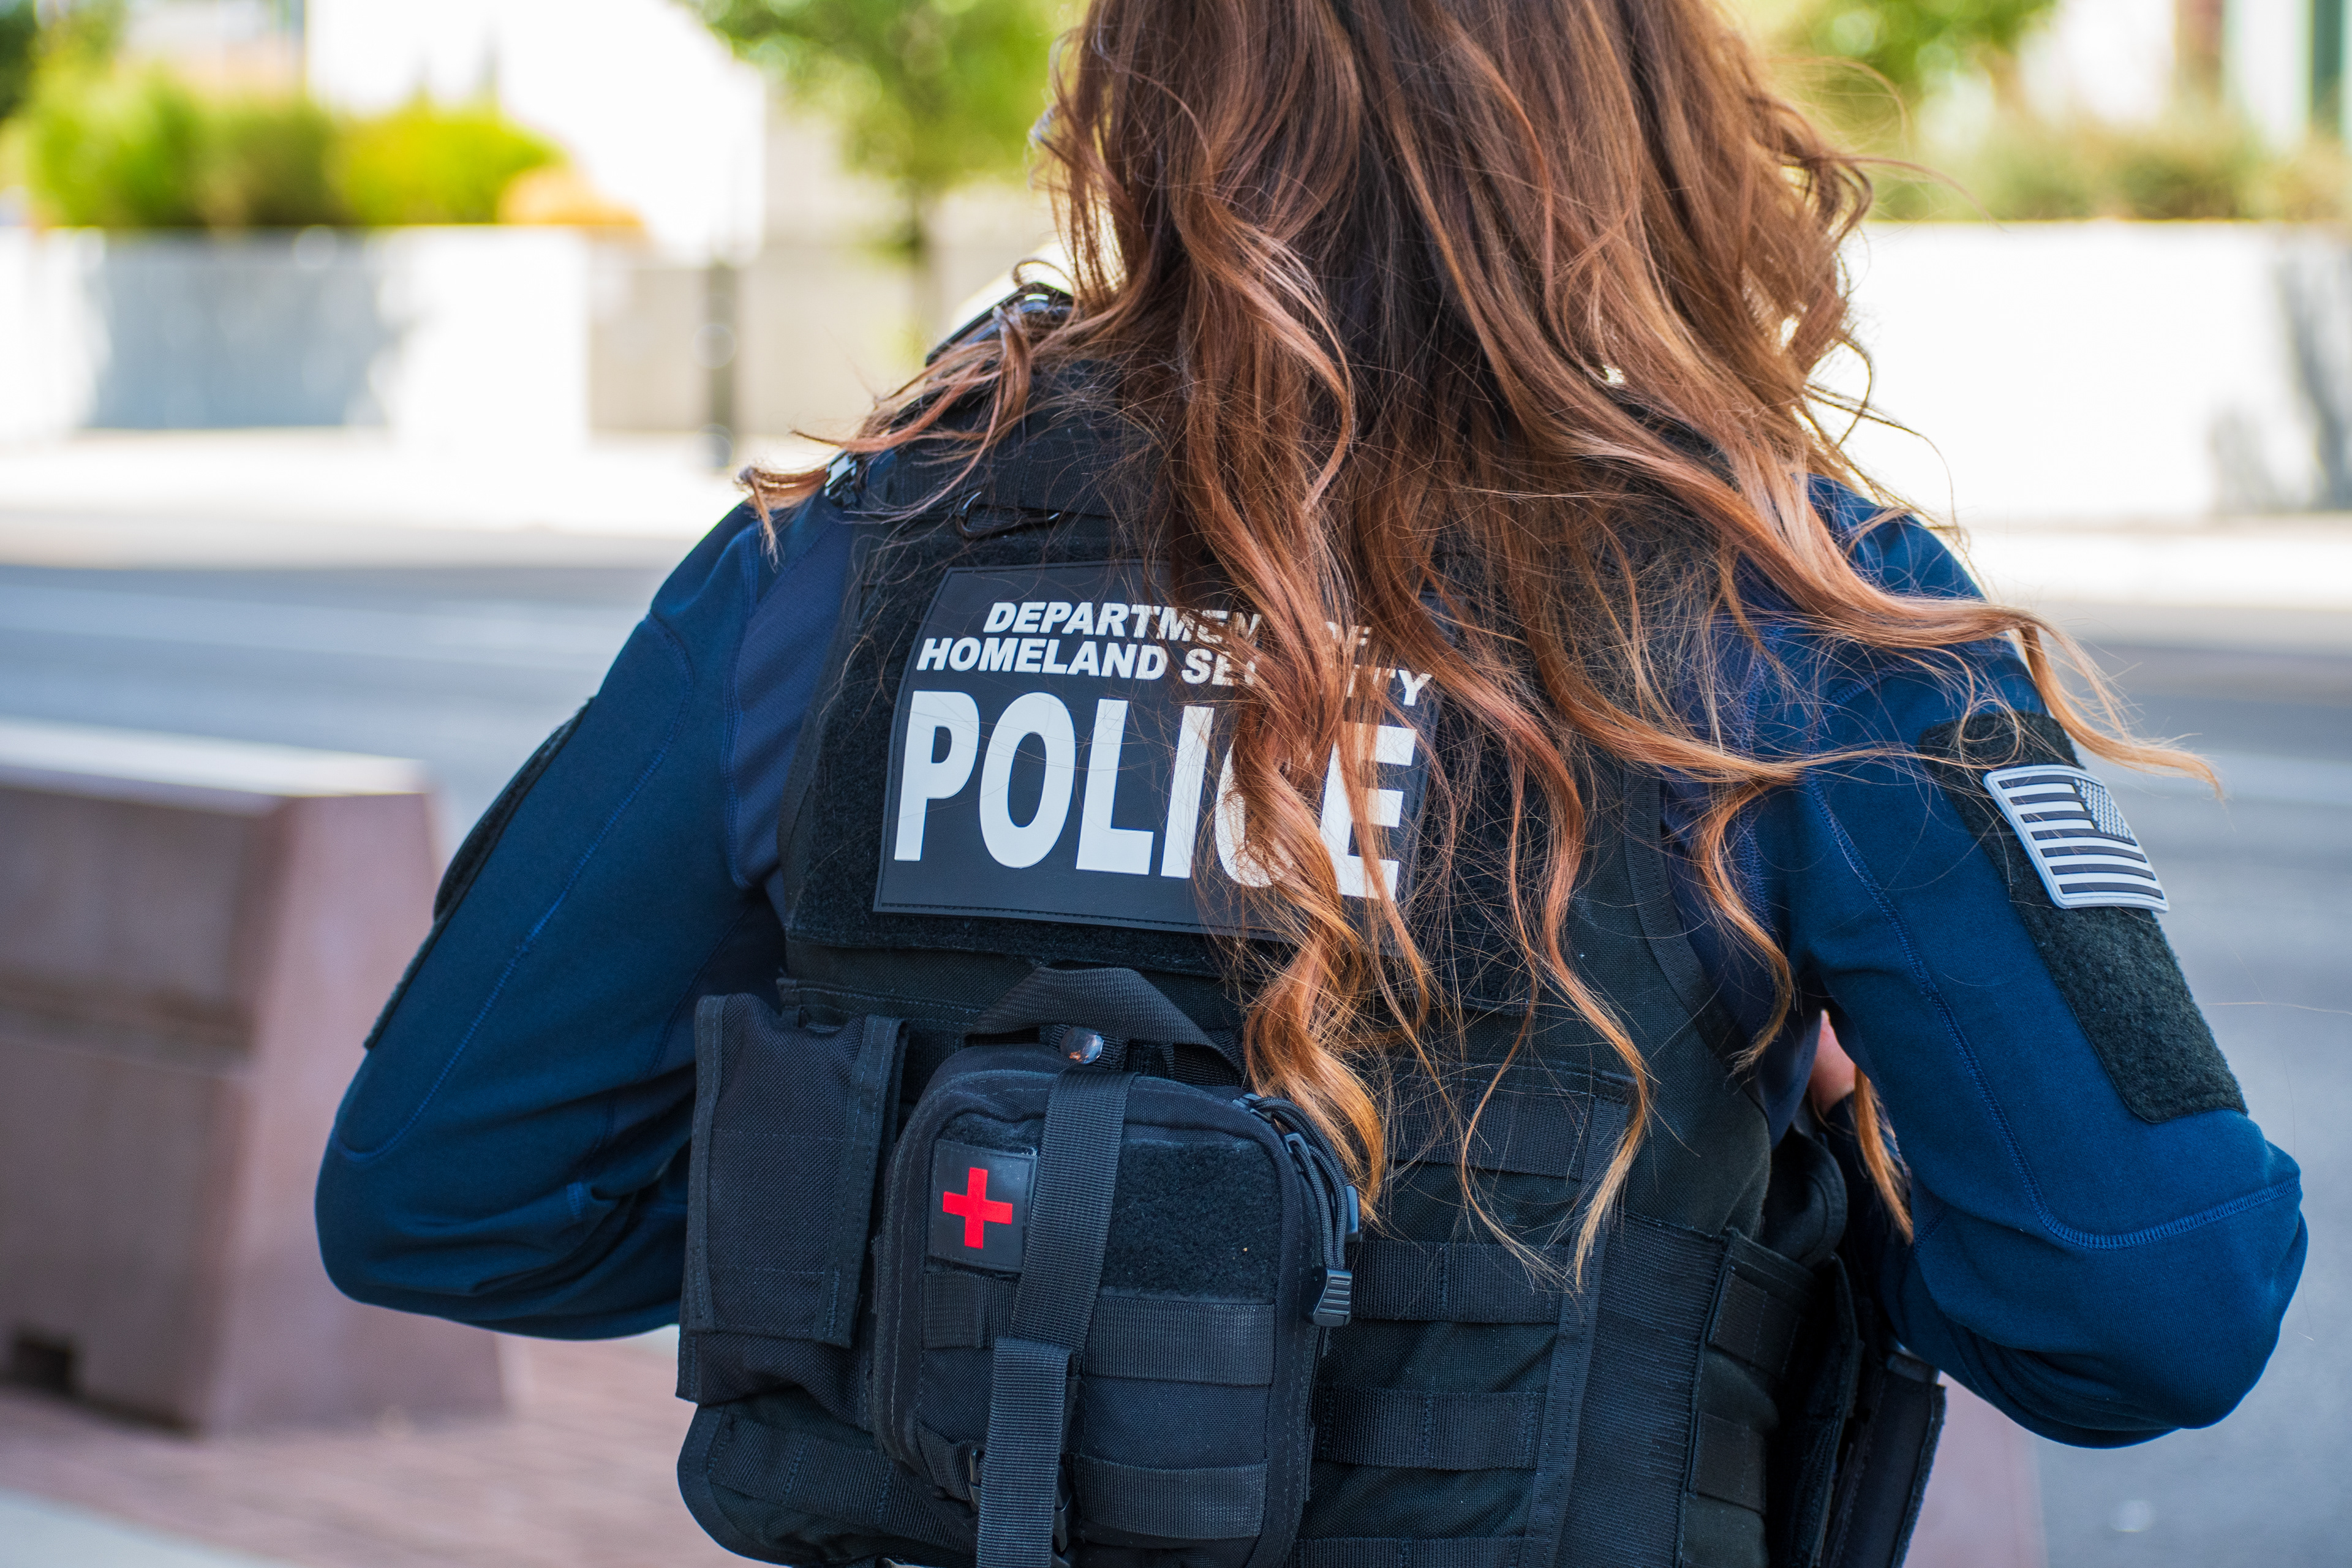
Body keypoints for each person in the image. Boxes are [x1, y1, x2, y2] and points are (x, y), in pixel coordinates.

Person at [315, 1, 2304, 1564]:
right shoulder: (1796, 606)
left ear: (1142, 90)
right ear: (1645, 117)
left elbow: (446, 1191)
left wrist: (925, 1233)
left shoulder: (845, 556)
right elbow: (2156, 1310)